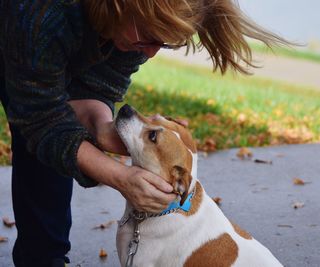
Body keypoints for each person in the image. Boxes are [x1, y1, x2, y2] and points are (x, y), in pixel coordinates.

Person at [0, 0, 289, 266]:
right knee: (43, 142)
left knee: (48, 168)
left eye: (163, 44)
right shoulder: (42, 14)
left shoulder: (134, 31)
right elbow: (40, 117)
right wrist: (120, 177)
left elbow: (94, 87)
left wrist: (102, 129)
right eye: (150, 37)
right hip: (18, 34)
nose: (150, 52)